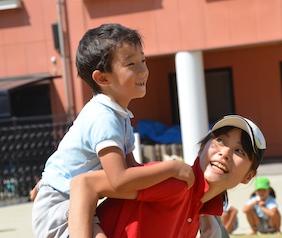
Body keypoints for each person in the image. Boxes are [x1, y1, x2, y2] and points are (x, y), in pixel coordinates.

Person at [31, 23, 195, 238]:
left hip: (77, 198)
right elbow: (120, 179)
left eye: (143, 61)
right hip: (59, 203)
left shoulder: (119, 115)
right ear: (103, 78)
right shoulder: (104, 118)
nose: (143, 70)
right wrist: (172, 168)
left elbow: (132, 170)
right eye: (131, 64)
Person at [70, 114, 266, 237]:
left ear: (249, 176)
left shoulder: (200, 213)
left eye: (240, 151)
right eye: (220, 140)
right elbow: (83, 184)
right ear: (201, 148)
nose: (225, 153)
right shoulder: (175, 183)